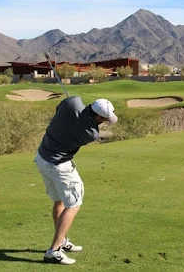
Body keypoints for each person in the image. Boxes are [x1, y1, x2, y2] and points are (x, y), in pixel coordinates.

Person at [34, 96, 118, 265]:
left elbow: (60, 109)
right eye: (105, 120)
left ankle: (62, 240)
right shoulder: (91, 133)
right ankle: (54, 251)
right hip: (59, 165)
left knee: (60, 201)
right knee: (73, 204)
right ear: (99, 117)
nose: (104, 123)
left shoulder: (72, 103)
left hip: (42, 158)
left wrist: (70, 111)